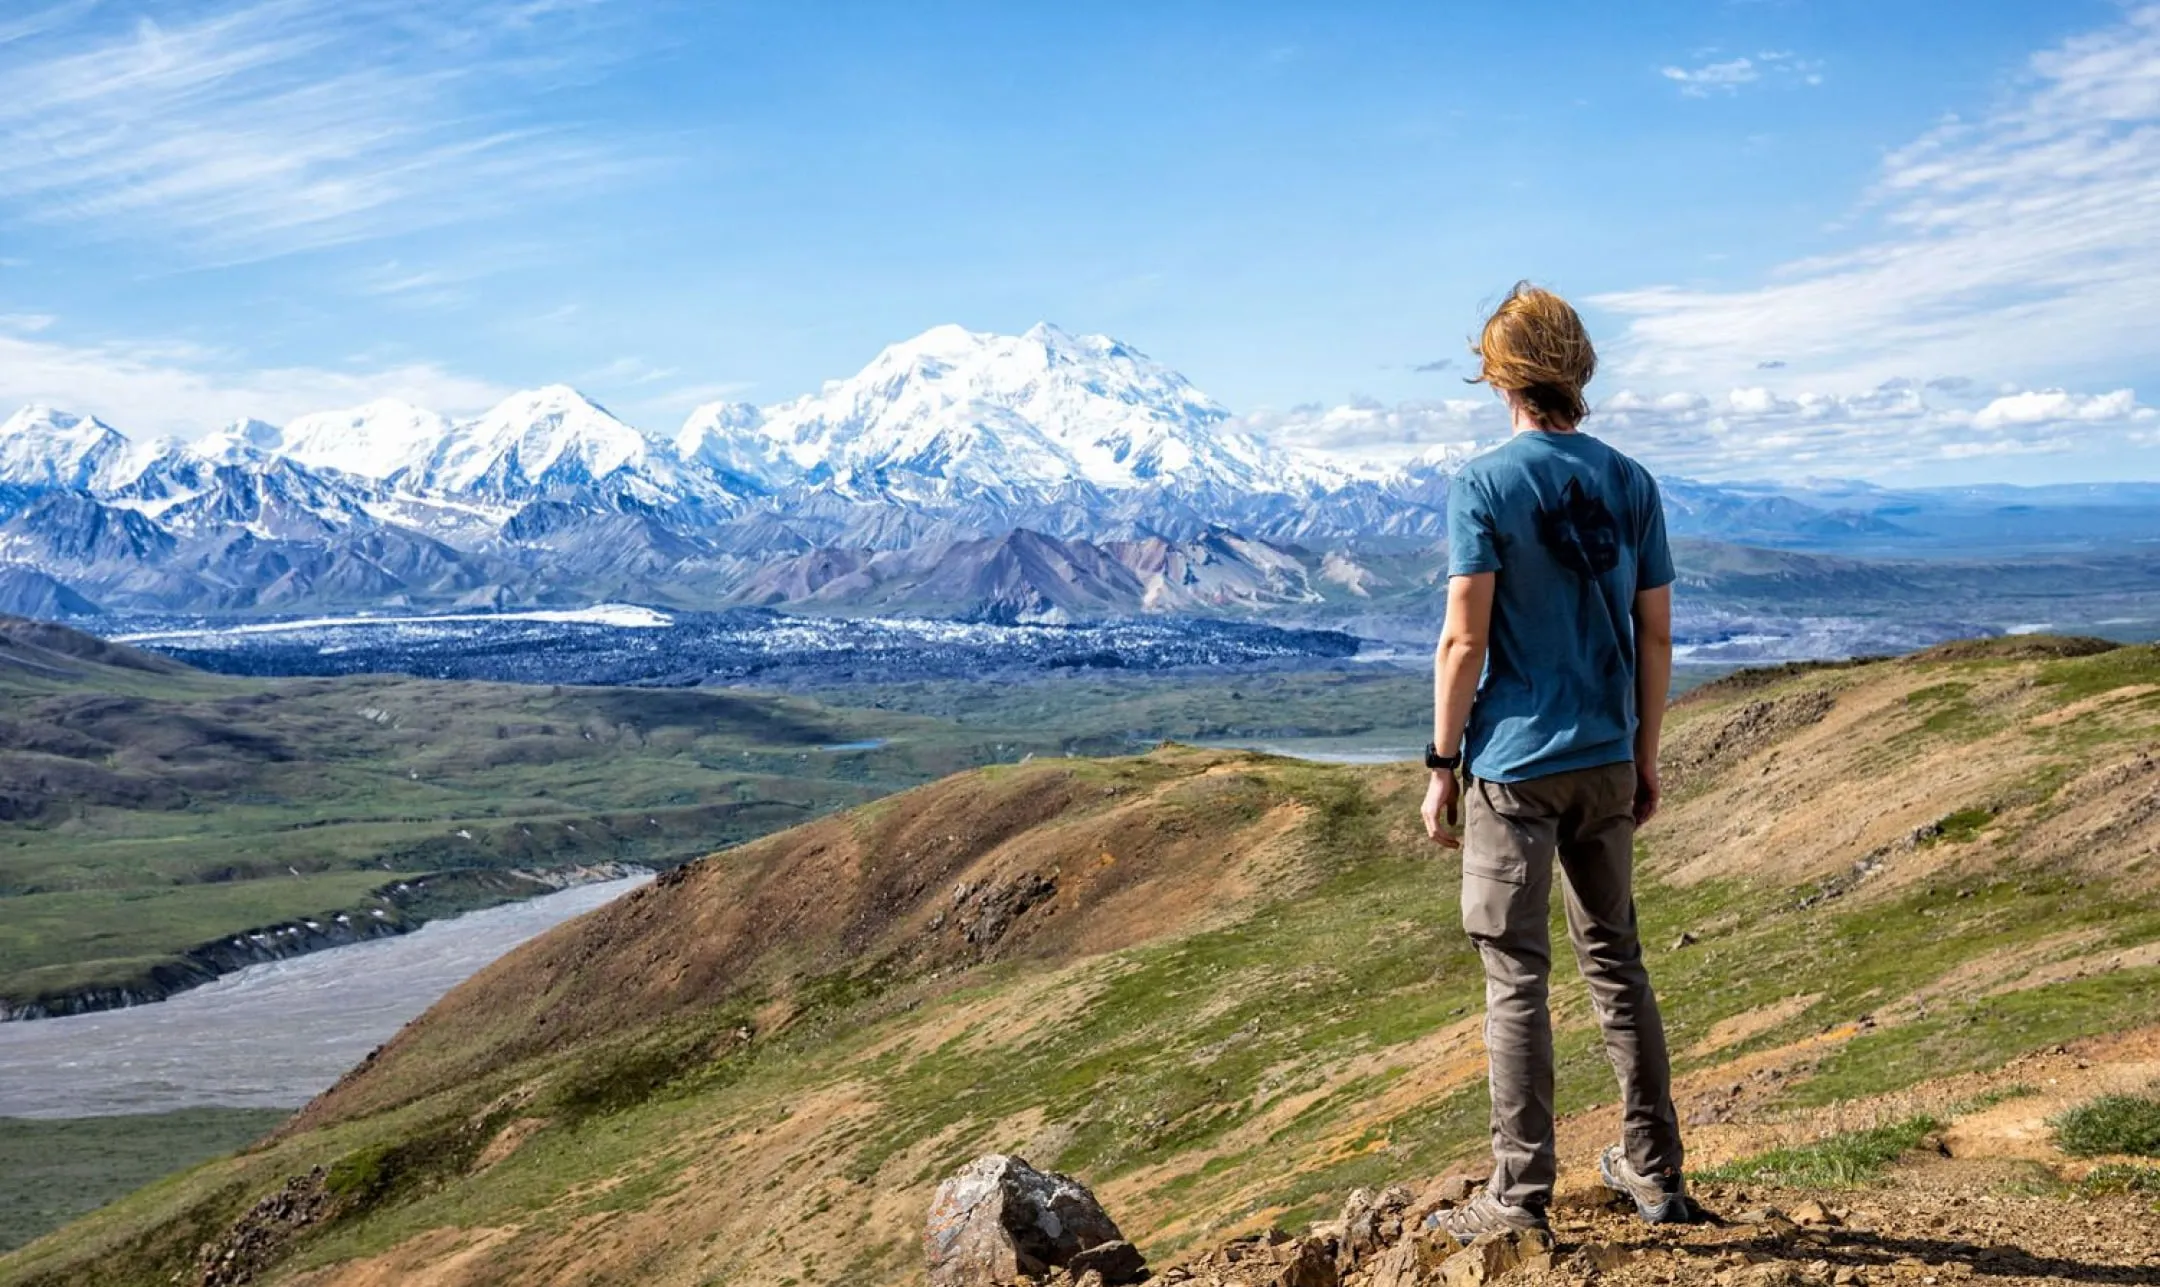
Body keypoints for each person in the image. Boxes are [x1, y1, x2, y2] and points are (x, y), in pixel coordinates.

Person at [1420, 282, 1692, 1239]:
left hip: (1515, 763)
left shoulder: (1485, 484)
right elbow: (1655, 636)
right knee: (1617, 961)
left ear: (1500, 375)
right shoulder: (1632, 482)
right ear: (1578, 370)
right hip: (1608, 754)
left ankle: (1519, 1195)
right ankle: (1657, 1175)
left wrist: (1442, 762)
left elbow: (1465, 638)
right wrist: (1644, 754)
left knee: (1516, 976)